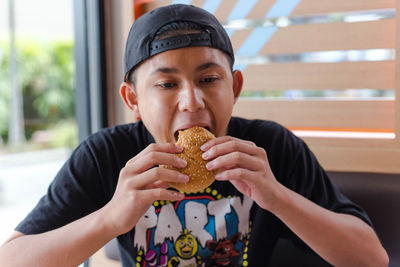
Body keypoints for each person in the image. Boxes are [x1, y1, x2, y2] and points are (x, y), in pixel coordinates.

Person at [0, 4, 388, 267]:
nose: (192, 101)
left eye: (208, 79)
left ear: (234, 87)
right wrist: (110, 219)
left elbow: (372, 257)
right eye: (167, 84)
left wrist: (277, 197)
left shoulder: (269, 149)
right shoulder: (108, 155)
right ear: (133, 99)